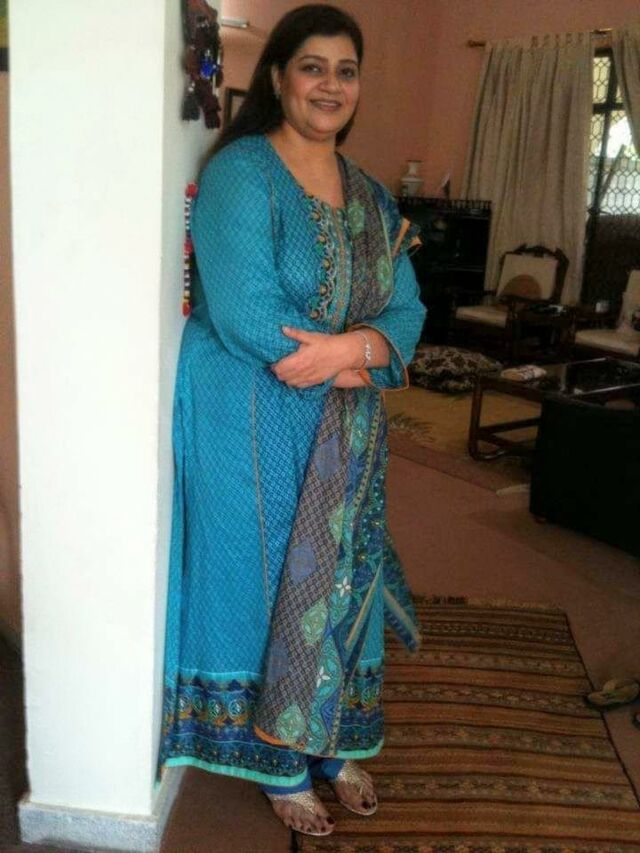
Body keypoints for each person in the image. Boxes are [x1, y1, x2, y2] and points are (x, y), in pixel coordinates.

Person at [156, 3, 426, 838]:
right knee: (266, 571)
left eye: (346, 71)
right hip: (250, 410)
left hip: (345, 423)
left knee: (342, 570)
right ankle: (274, 757)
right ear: (278, 77)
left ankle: (329, 738)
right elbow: (246, 311)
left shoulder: (371, 196)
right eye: (313, 66)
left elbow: (409, 308)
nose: (330, 85)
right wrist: (356, 359)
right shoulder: (243, 174)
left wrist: (354, 349)